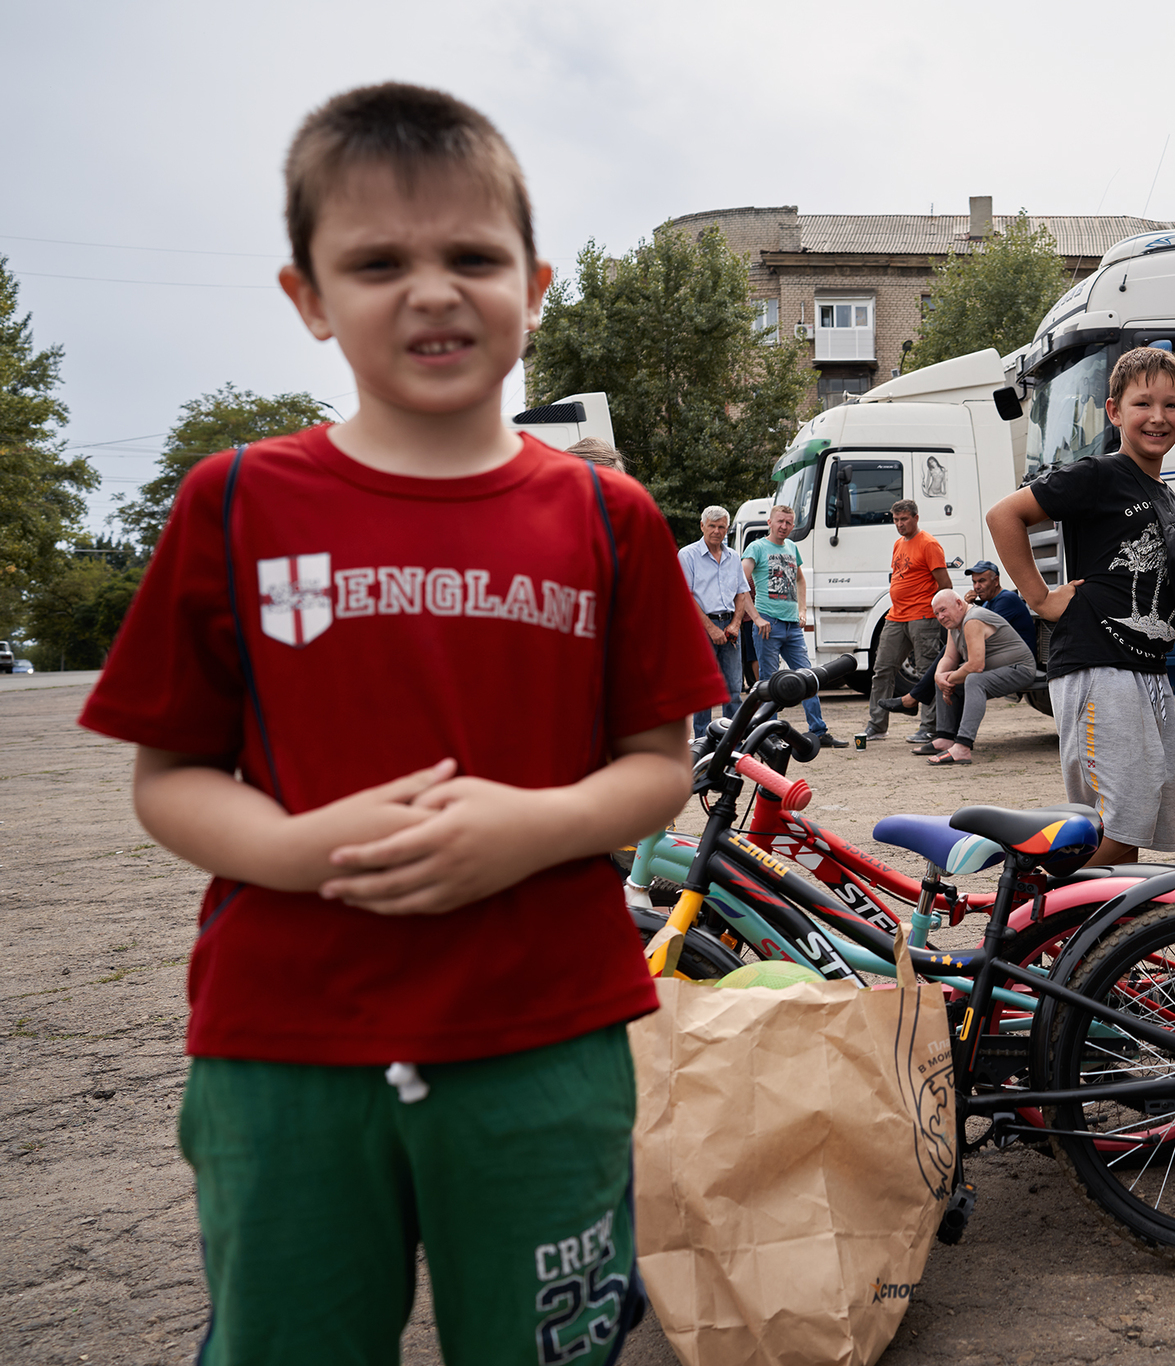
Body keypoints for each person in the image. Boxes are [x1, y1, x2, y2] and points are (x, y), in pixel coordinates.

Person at [73, 83, 728, 1361]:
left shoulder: (611, 520)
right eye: (376, 262)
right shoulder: (235, 501)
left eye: (471, 257)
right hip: (285, 1047)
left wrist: (529, 827)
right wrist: (306, 848)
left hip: (542, 1039)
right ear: (307, 296)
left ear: (533, 284)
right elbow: (171, 779)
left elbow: (657, 769)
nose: (430, 290)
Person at [987, 346, 1175, 864]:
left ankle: (1106, 942)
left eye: (1172, 405)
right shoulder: (1099, 474)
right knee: (1111, 828)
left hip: (1146, 674)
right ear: (1114, 412)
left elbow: (1164, 604)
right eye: (1143, 404)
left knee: (1130, 832)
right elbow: (1005, 514)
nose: (1158, 417)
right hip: (1099, 669)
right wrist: (1040, 599)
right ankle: (1045, 925)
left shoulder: (1169, 499)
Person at [743, 505, 848, 747]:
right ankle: (769, 736)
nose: (784, 526)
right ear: (769, 522)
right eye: (780, 521)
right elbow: (740, 582)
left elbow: (800, 579)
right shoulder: (757, 547)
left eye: (789, 523)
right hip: (768, 625)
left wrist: (802, 610)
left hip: (792, 626)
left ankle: (819, 732)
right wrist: (757, 618)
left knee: (808, 678)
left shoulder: (791, 547)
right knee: (769, 683)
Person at [862, 500, 951, 743]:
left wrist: (937, 613)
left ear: (916, 518)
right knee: (882, 669)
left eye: (904, 519)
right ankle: (877, 725)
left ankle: (929, 727)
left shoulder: (929, 544)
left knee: (927, 672)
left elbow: (945, 585)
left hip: (922, 617)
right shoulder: (898, 544)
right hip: (896, 615)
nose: (900, 524)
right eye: (896, 520)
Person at [921, 589, 1037, 764]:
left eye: (943, 610)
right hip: (994, 671)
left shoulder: (973, 619)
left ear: (959, 604)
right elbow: (950, 658)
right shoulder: (954, 624)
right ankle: (945, 738)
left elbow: (976, 666)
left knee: (974, 679)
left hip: (1020, 669)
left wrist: (947, 679)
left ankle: (962, 747)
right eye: (936, 613)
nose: (940, 616)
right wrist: (939, 677)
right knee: (945, 675)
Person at [679, 504, 757, 739]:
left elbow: (742, 593)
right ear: (702, 526)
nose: (716, 530)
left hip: (730, 626)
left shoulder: (734, 557)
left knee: (734, 688)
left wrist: (734, 624)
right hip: (701, 628)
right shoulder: (687, 555)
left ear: (727, 529)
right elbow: (687, 597)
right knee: (704, 689)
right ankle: (703, 741)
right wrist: (712, 629)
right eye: (711, 526)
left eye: (721, 526)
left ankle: (732, 740)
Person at [965, 558, 1036, 645]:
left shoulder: (1007, 599)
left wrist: (968, 609)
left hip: (1017, 657)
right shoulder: (988, 602)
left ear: (996, 581)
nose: (976, 587)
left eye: (982, 581)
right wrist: (969, 605)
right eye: (974, 582)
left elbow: (982, 631)